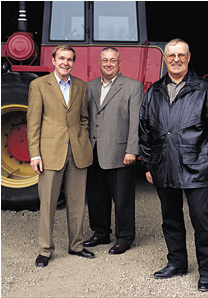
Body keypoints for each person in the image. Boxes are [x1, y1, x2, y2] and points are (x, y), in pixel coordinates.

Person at [139, 38, 208, 291]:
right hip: (163, 165)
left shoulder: (205, 89)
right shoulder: (154, 91)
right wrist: (148, 165)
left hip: (196, 166)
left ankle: (207, 272)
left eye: (181, 55)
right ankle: (177, 263)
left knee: (201, 220)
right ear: (165, 59)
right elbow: (144, 131)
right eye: (171, 56)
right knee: (170, 218)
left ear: (189, 57)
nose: (176, 60)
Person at [27, 45, 94, 267]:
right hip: (49, 154)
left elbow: (84, 118)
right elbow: (33, 123)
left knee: (76, 203)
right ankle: (45, 250)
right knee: (48, 203)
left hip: (77, 152)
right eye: (62, 58)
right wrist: (35, 154)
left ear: (73, 63)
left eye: (70, 59)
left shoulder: (81, 86)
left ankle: (76, 245)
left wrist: (82, 139)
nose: (66, 62)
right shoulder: (38, 85)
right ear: (53, 60)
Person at [84, 47, 144, 254]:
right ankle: (100, 232)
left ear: (119, 63)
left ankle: (125, 237)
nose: (108, 64)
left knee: (123, 199)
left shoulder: (133, 87)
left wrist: (132, 150)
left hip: (121, 153)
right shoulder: (89, 87)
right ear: (99, 63)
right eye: (105, 60)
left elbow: (136, 121)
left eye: (112, 60)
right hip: (93, 151)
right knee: (96, 196)